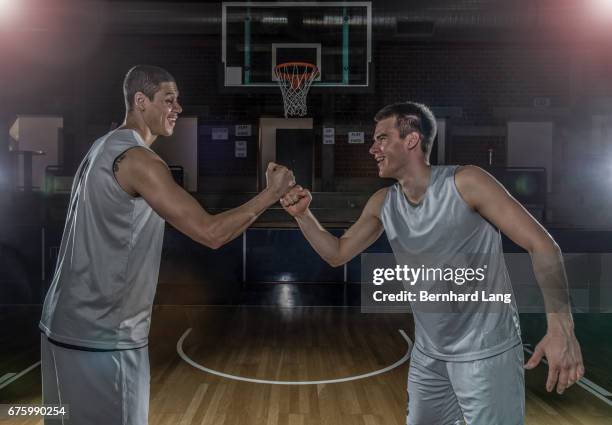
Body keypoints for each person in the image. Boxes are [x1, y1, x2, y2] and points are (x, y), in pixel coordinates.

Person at [280, 101, 583, 424]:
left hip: (486, 354)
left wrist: (561, 327)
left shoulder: (467, 183)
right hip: (429, 358)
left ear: (411, 139)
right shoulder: (383, 203)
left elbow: (542, 245)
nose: (373, 148)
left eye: (382, 138)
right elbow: (337, 253)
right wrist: (304, 216)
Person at [39, 65, 295, 424]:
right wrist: (271, 194)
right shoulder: (139, 160)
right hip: (104, 338)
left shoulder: (101, 147)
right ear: (140, 101)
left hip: (59, 327)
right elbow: (211, 232)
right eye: (169, 100)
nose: (177, 108)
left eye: (178, 100)